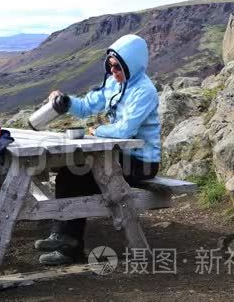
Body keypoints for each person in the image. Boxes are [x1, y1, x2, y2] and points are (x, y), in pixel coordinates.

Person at [35, 34, 162, 265]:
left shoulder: (144, 91)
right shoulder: (114, 84)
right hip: (119, 156)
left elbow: (125, 130)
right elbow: (86, 106)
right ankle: (61, 235)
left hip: (141, 162)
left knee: (79, 176)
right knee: (67, 173)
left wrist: (97, 131)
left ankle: (70, 246)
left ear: (131, 64)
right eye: (110, 65)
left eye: (118, 66)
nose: (113, 71)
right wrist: (66, 102)